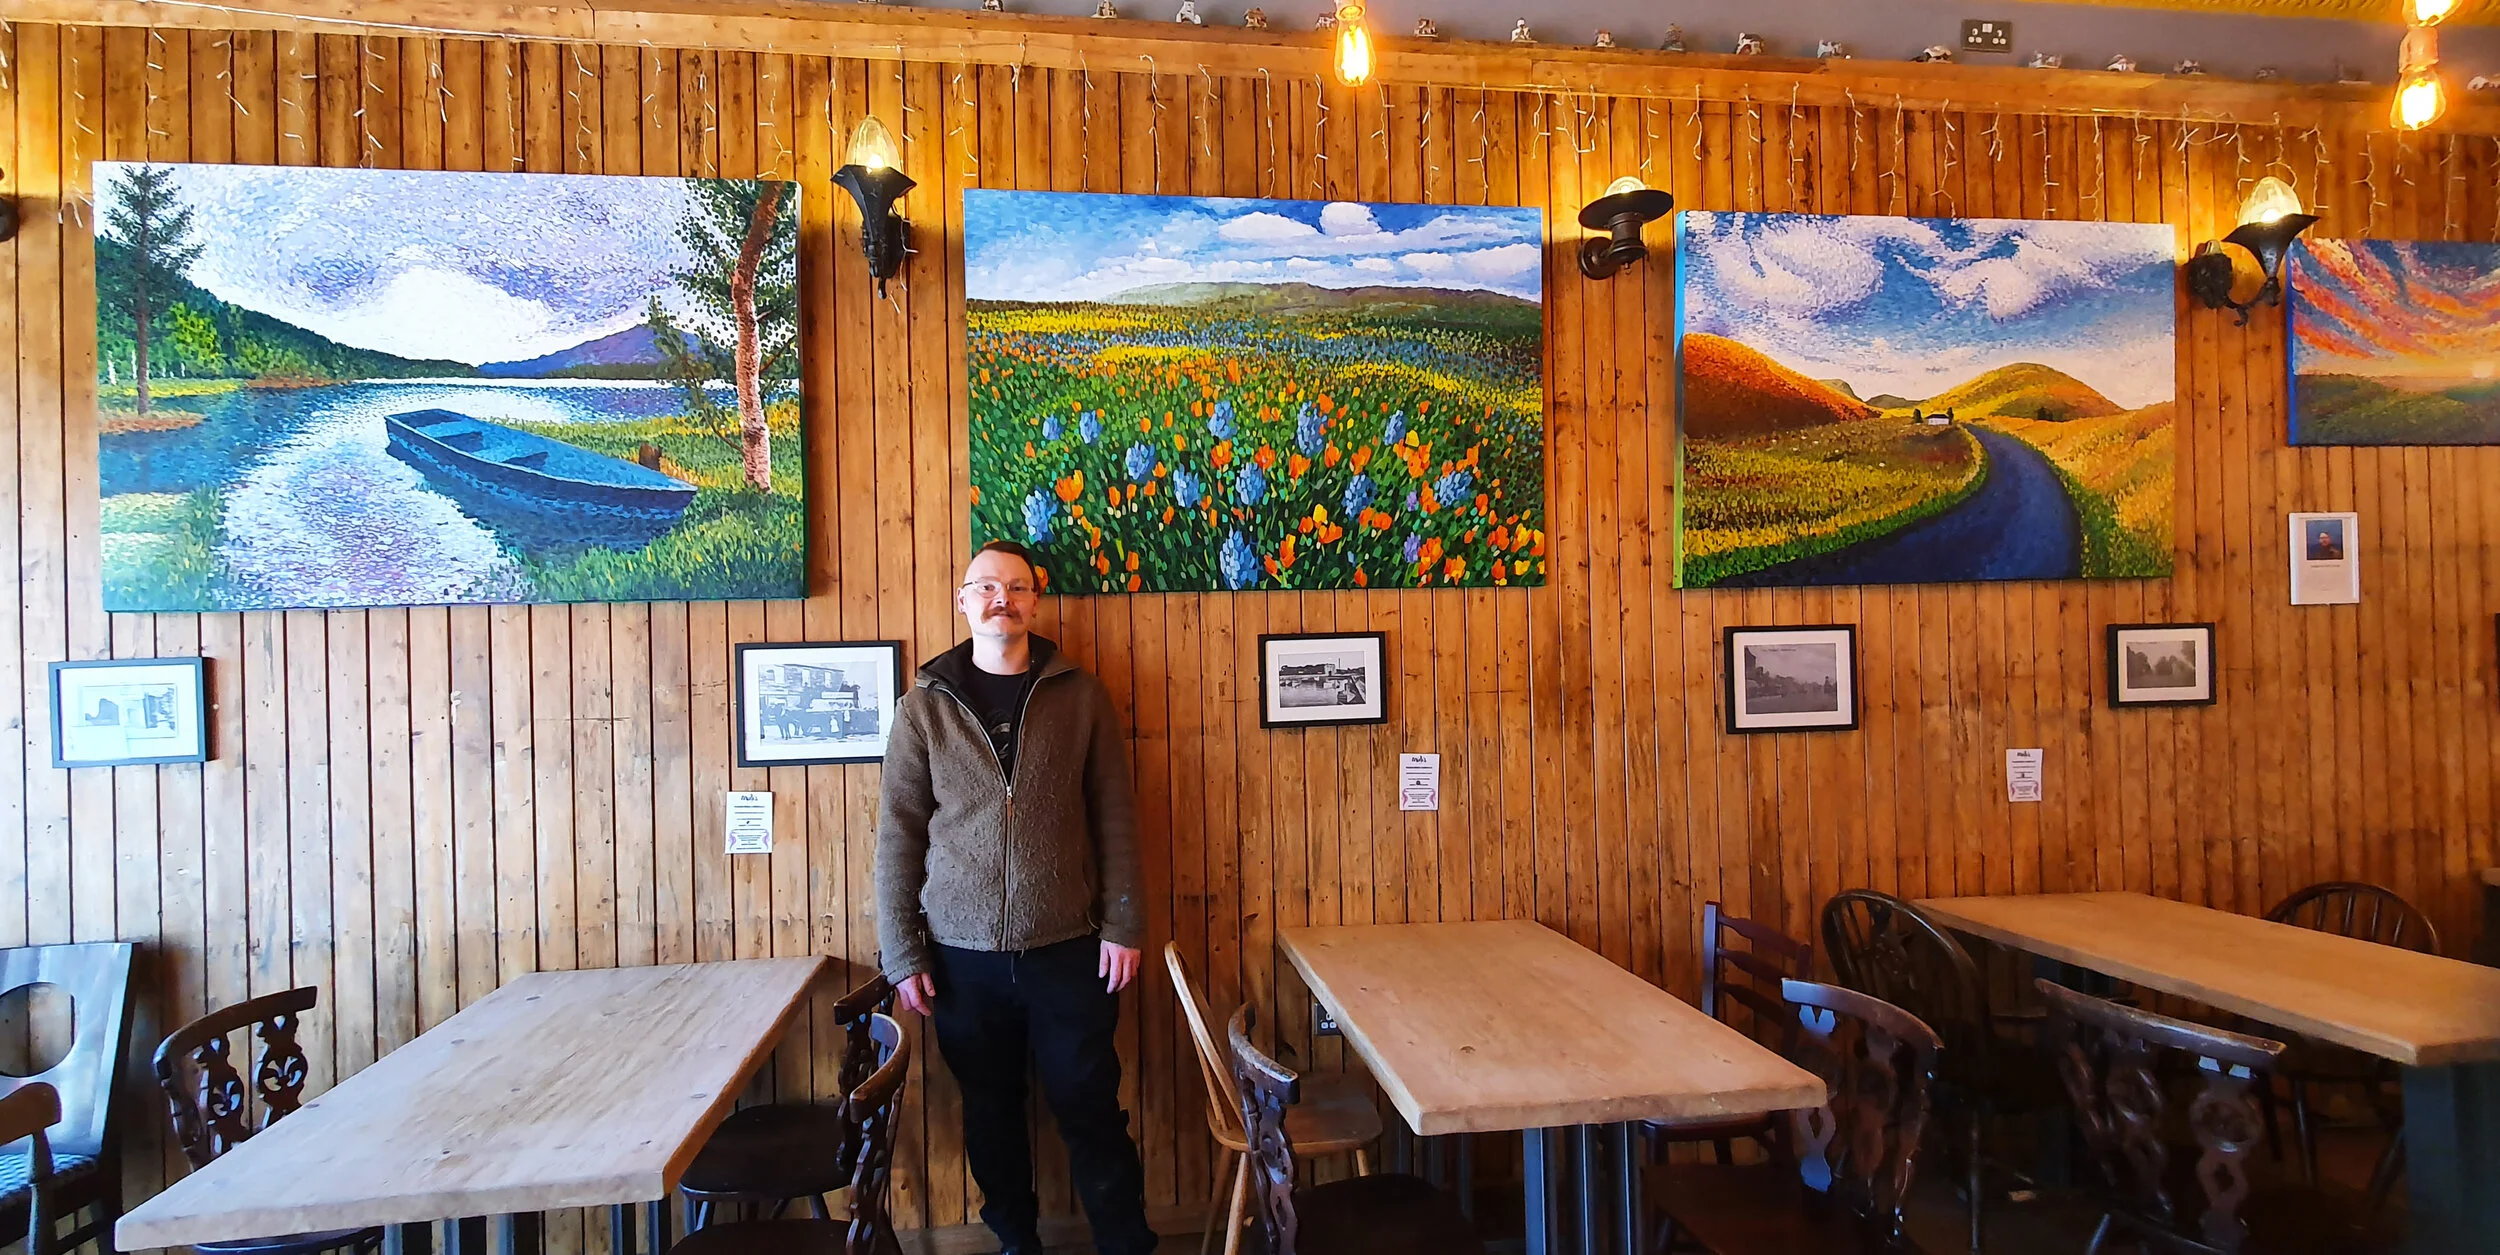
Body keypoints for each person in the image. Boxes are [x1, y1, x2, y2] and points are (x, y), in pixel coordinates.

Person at [875, 539, 1155, 1255]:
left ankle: (1128, 1244)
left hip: (1071, 948)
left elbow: (1115, 815)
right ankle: (1015, 1243)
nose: (1003, 598)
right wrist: (903, 952)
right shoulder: (923, 707)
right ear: (965, 600)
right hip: (959, 957)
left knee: (1090, 1108)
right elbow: (898, 837)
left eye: (1017, 587)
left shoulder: (1081, 695)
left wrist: (1124, 923)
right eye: (987, 587)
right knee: (992, 1115)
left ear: (1035, 599)